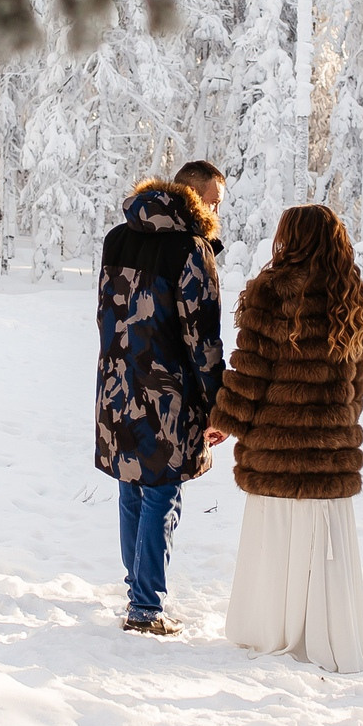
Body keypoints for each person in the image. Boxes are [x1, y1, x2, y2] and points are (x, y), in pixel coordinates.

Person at [211, 204, 363, 672]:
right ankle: (328, 636)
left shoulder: (271, 291)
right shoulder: (352, 294)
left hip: (277, 449)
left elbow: (251, 370)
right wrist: (339, 424)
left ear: (290, 238)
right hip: (330, 451)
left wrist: (225, 419)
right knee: (323, 548)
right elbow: (356, 382)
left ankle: (272, 630)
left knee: (277, 540)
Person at [94, 161, 230, 636]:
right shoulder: (192, 250)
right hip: (168, 390)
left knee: (133, 485)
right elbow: (202, 336)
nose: (217, 210)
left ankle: (139, 592)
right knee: (163, 491)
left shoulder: (117, 237)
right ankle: (146, 607)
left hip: (118, 383)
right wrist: (219, 400)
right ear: (192, 195)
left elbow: (105, 316)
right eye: (213, 200)